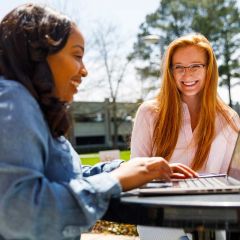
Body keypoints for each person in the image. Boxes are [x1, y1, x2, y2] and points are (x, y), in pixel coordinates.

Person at [0, 4, 197, 239]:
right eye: (76, 55)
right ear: (39, 55)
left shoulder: (31, 108)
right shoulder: (13, 98)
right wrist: (115, 180)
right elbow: (21, 215)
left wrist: (127, 169)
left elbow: (66, 176)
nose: (84, 71)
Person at [131, 33, 240, 240]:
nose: (186, 74)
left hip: (211, 216)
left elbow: (231, 180)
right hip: (160, 215)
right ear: (170, 72)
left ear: (209, 69)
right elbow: (136, 174)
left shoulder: (229, 119)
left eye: (195, 66)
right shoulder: (150, 113)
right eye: (179, 67)